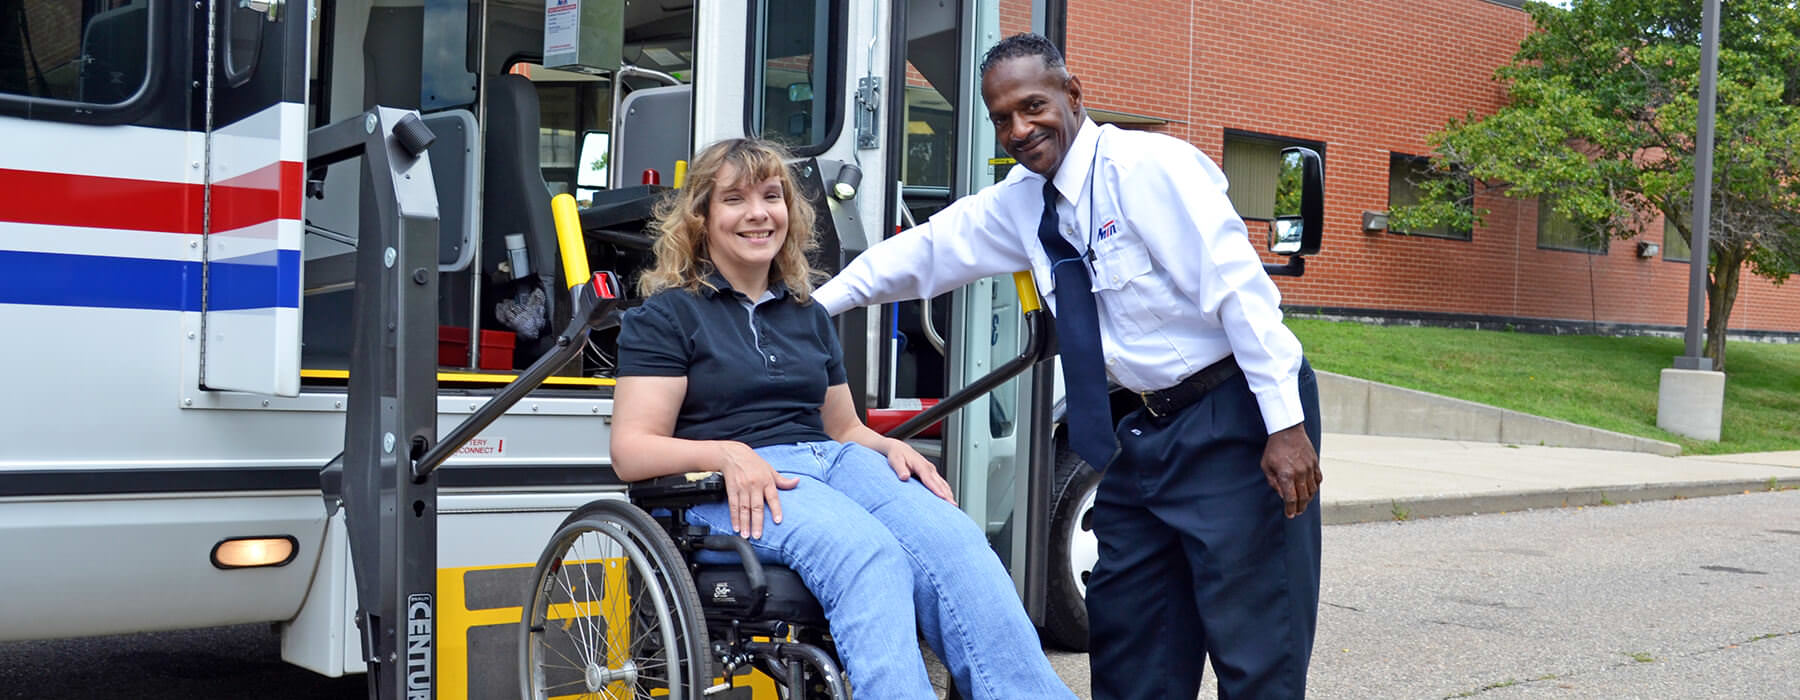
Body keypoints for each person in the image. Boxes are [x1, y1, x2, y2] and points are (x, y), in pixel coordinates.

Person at [812, 34, 1325, 699]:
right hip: (1146, 427)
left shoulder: (1151, 169)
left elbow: (1241, 294)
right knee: (1130, 634)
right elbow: (925, 252)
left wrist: (1284, 425)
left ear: (1072, 95)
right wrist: (813, 307)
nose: (1020, 129)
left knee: (1257, 649)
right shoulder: (1023, 202)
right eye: (1002, 117)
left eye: (1033, 106)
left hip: (1237, 414)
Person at [609, 137, 1078, 700]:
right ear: (702, 218)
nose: (758, 213)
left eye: (772, 196)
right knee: (867, 554)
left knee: (954, 541)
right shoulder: (668, 316)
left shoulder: (807, 312)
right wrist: (725, 452)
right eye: (734, 199)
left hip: (831, 462)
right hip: (726, 484)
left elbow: (842, 428)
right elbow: (631, 450)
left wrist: (885, 447)